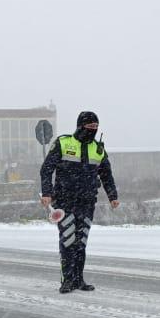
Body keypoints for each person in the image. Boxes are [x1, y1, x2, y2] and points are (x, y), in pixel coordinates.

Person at [39, 110, 119, 293]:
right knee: (68, 240)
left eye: (96, 127)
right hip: (64, 202)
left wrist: (113, 196)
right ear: (81, 126)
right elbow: (47, 169)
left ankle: (78, 280)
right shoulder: (63, 142)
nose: (93, 130)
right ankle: (66, 280)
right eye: (90, 126)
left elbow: (106, 174)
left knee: (81, 242)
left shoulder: (98, 149)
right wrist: (47, 192)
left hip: (87, 202)